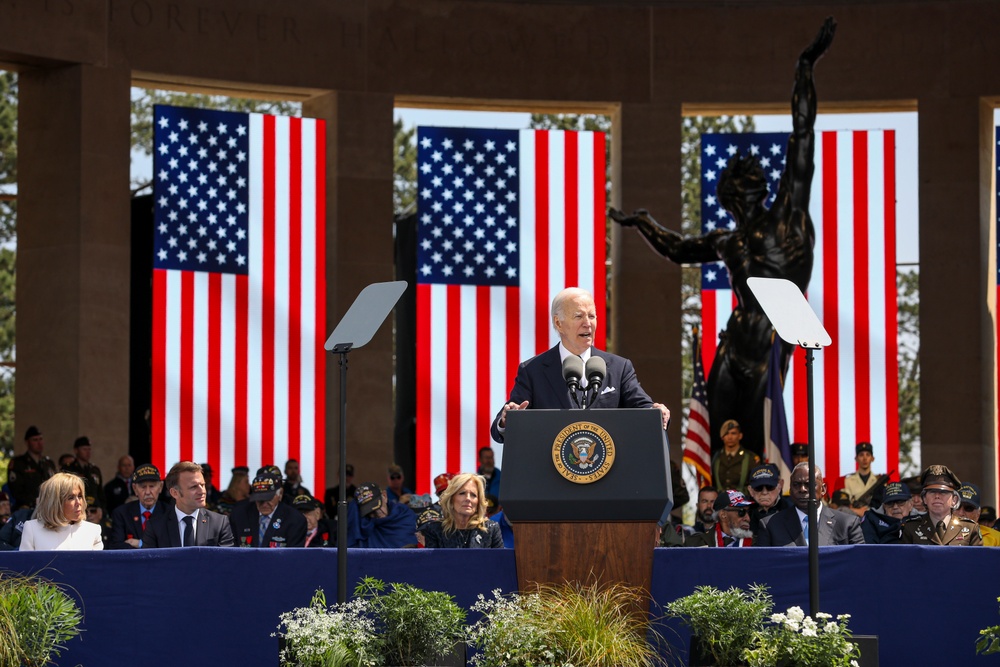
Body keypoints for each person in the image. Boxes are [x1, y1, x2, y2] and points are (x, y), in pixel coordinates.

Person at [609, 18, 836, 459]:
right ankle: (716, 506)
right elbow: (677, 249)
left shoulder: (787, 215)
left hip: (771, 344)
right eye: (738, 180)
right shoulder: (726, 240)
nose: (745, 182)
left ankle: (757, 502)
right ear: (731, 194)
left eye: (749, 177)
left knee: (756, 437)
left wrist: (806, 66)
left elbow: (802, 136)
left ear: (758, 187)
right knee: (715, 437)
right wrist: (644, 223)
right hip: (732, 345)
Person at [490, 287, 670, 443]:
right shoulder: (533, 371)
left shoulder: (619, 367)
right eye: (579, 316)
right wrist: (508, 419)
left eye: (592, 316)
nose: (587, 323)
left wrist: (657, 412)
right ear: (558, 323)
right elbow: (502, 425)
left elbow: (644, 409)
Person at [757, 462, 864, 546]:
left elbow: (860, 564)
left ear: (823, 489)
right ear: (790, 489)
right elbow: (764, 568)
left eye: (809, 484)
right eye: (796, 485)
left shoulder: (847, 524)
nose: (802, 489)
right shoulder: (771, 525)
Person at [142, 461, 235, 547]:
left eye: (202, 485)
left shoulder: (220, 523)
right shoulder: (155, 526)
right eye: (194, 487)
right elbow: (149, 564)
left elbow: (226, 562)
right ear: (175, 493)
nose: (202, 491)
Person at [19, 472, 103, 551]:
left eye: (80, 496)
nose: (78, 502)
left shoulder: (93, 531)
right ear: (55, 503)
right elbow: (25, 564)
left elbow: (97, 566)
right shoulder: (32, 529)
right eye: (71, 498)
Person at [900, 465, 981, 546]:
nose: (937, 496)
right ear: (924, 498)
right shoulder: (911, 527)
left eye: (943, 492)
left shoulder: (970, 529)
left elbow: (977, 558)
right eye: (932, 491)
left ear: (954, 500)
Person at [420, 473, 503, 548]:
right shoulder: (434, 530)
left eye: (473, 495)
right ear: (451, 499)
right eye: (462, 493)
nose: (468, 499)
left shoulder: (491, 529)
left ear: (478, 502)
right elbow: (432, 564)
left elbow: (500, 563)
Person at [229, 470, 306, 548]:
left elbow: (294, 556)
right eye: (260, 499)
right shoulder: (239, 515)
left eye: (269, 498)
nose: (264, 504)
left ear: (280, 494)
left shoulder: (295, 520)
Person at [109, 463, 167, 549]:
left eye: (152, 486)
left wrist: (140, 543)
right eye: (143, 487)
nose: (147, 492)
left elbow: (170, 546)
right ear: (135, 489)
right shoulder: (121, 513)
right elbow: (116, 547)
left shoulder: (169, 513)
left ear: (160, 487)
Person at [6, 425, 56, 510]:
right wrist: (35, 501)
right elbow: (17, 491)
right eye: (35, 440)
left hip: (48, 508)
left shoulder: (48, 463)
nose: (39, 443)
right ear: (27, 442)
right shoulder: (18, 463)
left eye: (40, 439)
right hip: (28, 509)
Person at [355, 482, 417, 548]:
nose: (377, 513)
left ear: (384, 496)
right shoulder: (365, 528)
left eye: (378, 507)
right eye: (371, 512)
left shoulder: (405, 515)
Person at [686, 490, 755, 547]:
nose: (747, 518)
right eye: (741, 512)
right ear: (723, 515)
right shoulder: (695, 544)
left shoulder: (757, 544)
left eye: (749, 512)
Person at [711, 420, 760, 495]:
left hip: (743, 501)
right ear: (722, 437)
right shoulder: (715, 457)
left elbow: (757, 484)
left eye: (733, 433)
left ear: (740, 436)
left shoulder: (750, 458)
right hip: (719, 502)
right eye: (726, 434)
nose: (730, 437)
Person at [746, 463, 788, 535]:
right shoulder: (744, 512)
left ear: (779, 487)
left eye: (770, 487)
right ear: (750, 490)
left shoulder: (791, 510)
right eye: (758, 488)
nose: (764, 492)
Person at [66, 436, 104, 506]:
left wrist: (102, 509)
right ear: (76, 450)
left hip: (93, 507)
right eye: (84, 449)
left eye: (89, 449)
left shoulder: (94, 470)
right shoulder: (69, 469)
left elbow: (100, 493)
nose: (88, 452)